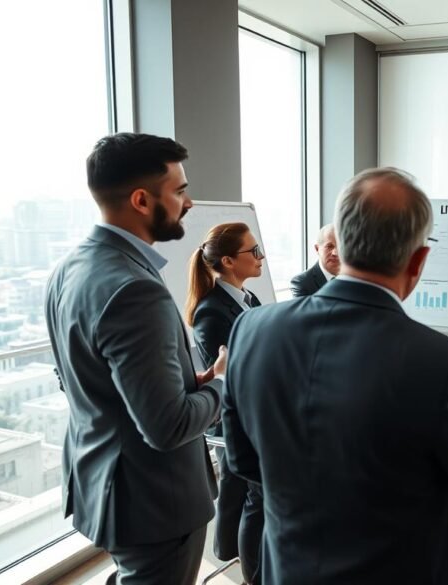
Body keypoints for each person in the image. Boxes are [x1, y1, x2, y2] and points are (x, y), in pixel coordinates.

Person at [221, 167, 448, 585]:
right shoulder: (443, 361)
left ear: (341, 243)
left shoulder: (251, 330)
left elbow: (241, 459)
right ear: (418, 261)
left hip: (290, 569)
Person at [44, 133, 223, 585]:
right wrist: (221, 382)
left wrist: (182, 383)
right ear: (142, 200)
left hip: (103, 482)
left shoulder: (71, 268)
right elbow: (168, 428)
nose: (190, 201)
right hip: (153, 503)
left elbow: (80, 376)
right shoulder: (135, 289)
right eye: (179, 190)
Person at [184, 222, 264, 584]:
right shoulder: (210, 312)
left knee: (257, 498)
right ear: (230, 261)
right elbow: (229, 376)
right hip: (235, 422)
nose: (261, 257)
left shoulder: (249, 299)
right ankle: (252, 577)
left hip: (257, 413)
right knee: (254, 498)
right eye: (254, 251)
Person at [289, 223, 339, 297]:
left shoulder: (354, 277)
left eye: (340, 246)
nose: (336, 253)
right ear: (317, 249)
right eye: (329, 246)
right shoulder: (301, 282)